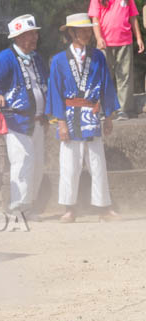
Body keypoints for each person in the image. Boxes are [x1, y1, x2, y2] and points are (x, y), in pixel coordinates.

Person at [46, 13, 121, 222]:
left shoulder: (97, 56)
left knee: (98, 163)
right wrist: (60, 122)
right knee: (69, 164)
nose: (88, 34)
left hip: (92, 115)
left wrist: (109, 116)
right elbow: (55, 91)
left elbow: (106, 86)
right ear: (72, 33)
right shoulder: (59, 60)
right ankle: (69, 208)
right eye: (83, 31)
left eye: (89, 30)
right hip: (69, 117)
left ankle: (104, 208)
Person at [0, 14, 49, 214]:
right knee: (22, 161)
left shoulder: (37, 58)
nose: (34, 38)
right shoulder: (5, 57)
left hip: (37, 120)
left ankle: (31, 203)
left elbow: (47, 82)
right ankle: (18, 205)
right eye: (29, 34)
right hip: (16, 120)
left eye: (35, 33)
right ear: (18, 38)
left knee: (37, 164)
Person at [88, 0, 144, 120]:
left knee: (124, 76)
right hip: (105, 44)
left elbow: (133, 18)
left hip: (125, 42)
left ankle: (122, 110)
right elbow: (95, 20)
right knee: (104, 75)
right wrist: (98, 38)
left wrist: (138, 38)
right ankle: (102, 109)